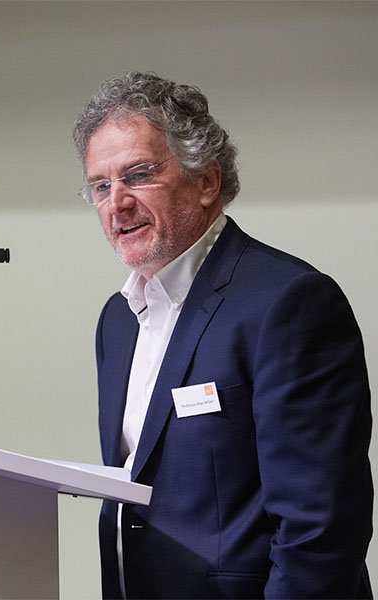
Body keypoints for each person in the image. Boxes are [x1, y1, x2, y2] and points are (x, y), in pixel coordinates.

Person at [72, 71, 373, 599]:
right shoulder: (117, 320)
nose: (116, 202)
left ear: (207, 181)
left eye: (138, 175)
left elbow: (319, 531)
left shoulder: (290, 303)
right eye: (101, 185)